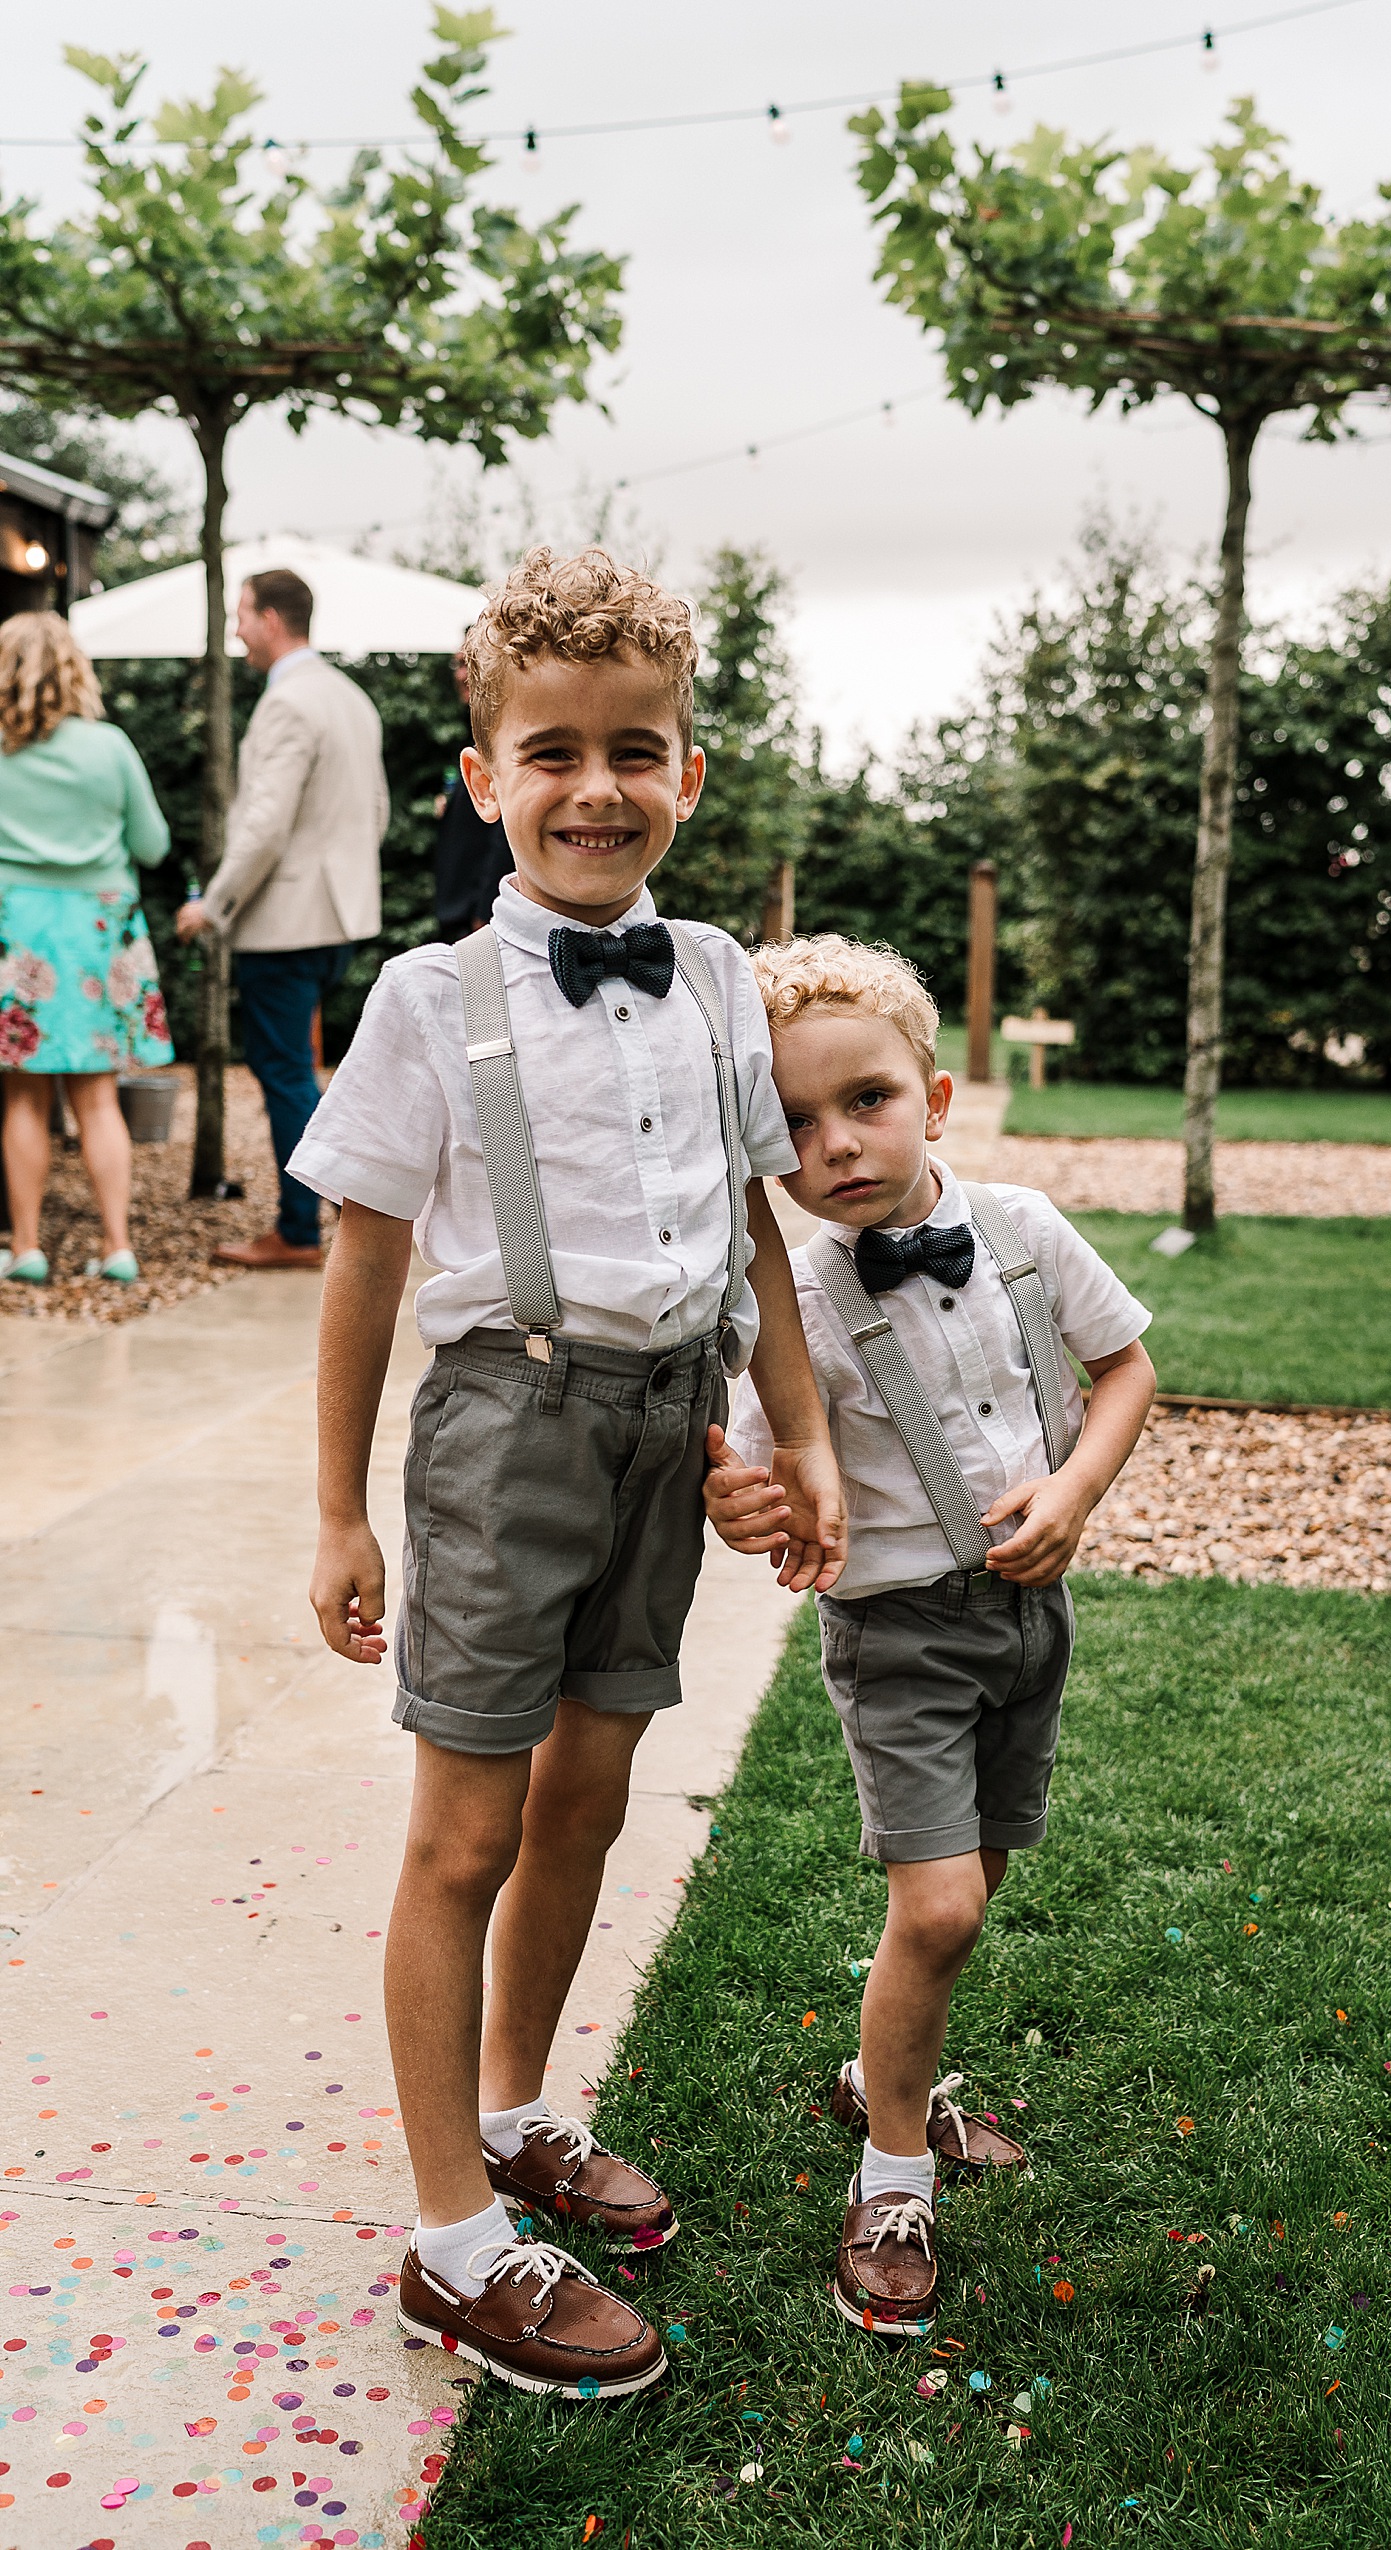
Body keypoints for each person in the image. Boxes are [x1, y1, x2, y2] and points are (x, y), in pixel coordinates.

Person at [291, 548, 846, 2396]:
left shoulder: (711, 978)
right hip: (503, 1427)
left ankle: (520, 2109)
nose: (595, 788)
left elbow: (757, 1234)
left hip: (669, 1428)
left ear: (692, 773)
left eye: (637, 750)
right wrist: (335, 1504)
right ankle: (453, 2242)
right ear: (482, 779)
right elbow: (364, 1263)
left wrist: (799, 1431)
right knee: (466, 1831)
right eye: (552, 753)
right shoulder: (424, 999)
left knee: (589, 1795)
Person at [707, 933, 1156, 2338]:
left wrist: (1075, 1489)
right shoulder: (796, 1301)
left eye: (867, 1100)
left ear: (938, 1096)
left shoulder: (1024, 1225)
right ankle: (892, 2170)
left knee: (981, 1882)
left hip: (1032, 1616)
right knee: (940, 1903)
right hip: (896, 1632)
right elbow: (753, 1461)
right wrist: (745, 1492)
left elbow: (1127, 1364)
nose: (835, 1142)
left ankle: (880, 2069)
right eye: (793, 1122)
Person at [176, 567, 388, 1270]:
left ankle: (303, 1227)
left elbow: (265, 826)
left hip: (286, 919)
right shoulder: (351, 699)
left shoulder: (288, 703)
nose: (236, 629)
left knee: (283, 1068)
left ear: (271, 619)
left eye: (241, 614)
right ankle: (340, 1202)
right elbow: (377, 814)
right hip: (338, 916)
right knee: (301, 1067)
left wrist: (213, 902)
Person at [0, 611, 173, 1287]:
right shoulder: (111, 748)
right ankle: (117, 1244)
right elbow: (153, 845)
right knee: (98, 1096)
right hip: (98, 935)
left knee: (23, 1098)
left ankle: (27, 1248)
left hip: (18, 930)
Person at [434, 641, 512, 940]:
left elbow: (505, 831)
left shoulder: (502, 740)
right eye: (458, 664)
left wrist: (488, 910)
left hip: (482, 918)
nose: (462, 675)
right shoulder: (472, 732)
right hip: (459, 912)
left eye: (472, 663)